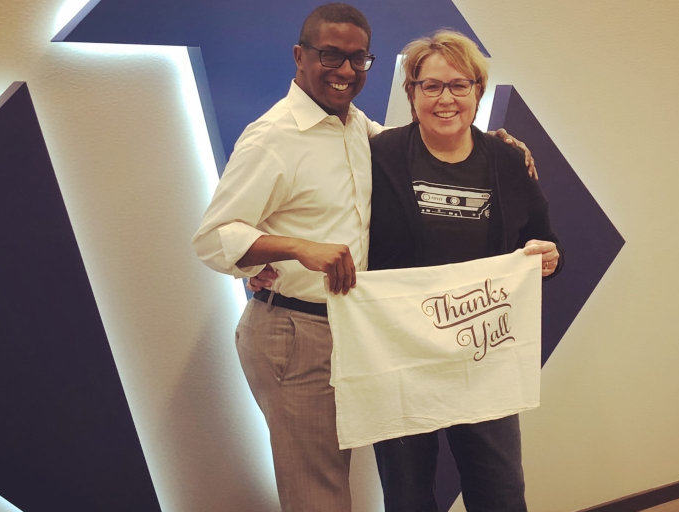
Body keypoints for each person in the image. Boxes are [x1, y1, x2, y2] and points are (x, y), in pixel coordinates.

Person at [193, 5, 534, 510]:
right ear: (300, 56)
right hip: (298, 333)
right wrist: (297, 248)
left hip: (359, 331)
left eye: (358, 59)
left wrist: (494, 144)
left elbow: (427, 138)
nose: (346, 70)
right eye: (331, 55)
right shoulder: (273, 136)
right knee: (319, 494)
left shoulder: (356, 127)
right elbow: (213, 236)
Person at [366, 30, 562, 512]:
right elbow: (319, 204)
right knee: (408, 495)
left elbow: (542, 240)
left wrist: (548, 258)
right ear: (411, 93)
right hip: (401, 357)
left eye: (459, 85)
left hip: (483, 355)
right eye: (431, 86)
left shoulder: (507, 159)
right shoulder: (378, 155)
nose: (446, 98)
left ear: (478, 91)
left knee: (500, 492)